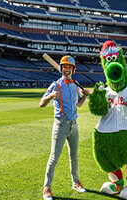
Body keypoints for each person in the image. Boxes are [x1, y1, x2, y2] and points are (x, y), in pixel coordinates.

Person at [40, 55, 90, 200]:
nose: (66, 69)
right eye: (64, 67)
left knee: (74, 157)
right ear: (61, 68)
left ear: (73, 69)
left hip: (74, 125)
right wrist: (50, 97)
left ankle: (76, 182)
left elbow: (78, 105)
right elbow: (41, 104)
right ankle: (47, 188)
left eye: (69, 67)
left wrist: (85, 96)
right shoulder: (55, 85)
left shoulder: (75, 85)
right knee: (54, 158)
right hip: (60, 125)